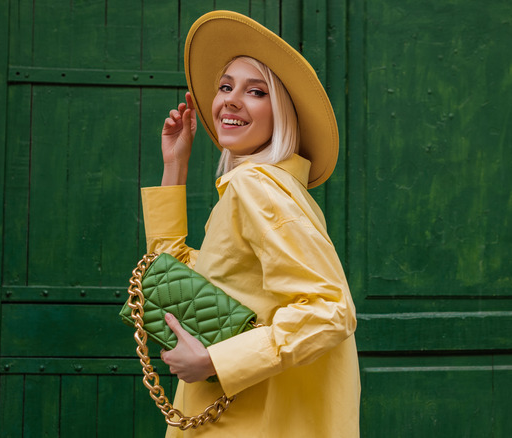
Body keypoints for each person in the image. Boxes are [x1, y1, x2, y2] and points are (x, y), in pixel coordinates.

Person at [140, 10, 360, 437]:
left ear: (282, 113)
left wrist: (216, 361)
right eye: (225, 86)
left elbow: (330, 310)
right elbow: (173, 279)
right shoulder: (268, 189)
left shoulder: (255, 187)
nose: (230, 100)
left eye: (255, 91)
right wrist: (175, 166)